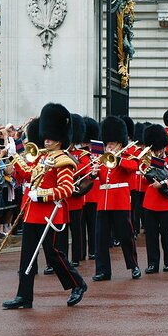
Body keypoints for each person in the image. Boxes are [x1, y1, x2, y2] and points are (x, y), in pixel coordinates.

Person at [3, 103, 87, 310]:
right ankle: (24, 296)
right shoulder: (42, 157)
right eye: (45, 137)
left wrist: (41, 195)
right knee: (27, 257)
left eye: (50, 137)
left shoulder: (63, 161)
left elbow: (66, 189)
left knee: (54, 254)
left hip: (51, 215)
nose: (46, 140)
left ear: (59, 138)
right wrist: (14, 158)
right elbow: (27, 174)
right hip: (32, 214)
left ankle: (78, 284)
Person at [92, 116, 141, 281]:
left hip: (120, 201)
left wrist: (118, 159)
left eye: (112, 144)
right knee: (100, 238)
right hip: (103, 202)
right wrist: (93, 172)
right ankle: (103, 270)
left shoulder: (127, 156)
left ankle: (134, 266)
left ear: (120, 143)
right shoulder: (102, 158)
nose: (108, 146)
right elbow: (97, 178)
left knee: (126, 236)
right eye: (107, 143)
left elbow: (133, 167)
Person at [142, 124, 168, 274]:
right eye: (155, 149)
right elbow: (146, 181)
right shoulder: (148, 159)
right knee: (151, 235)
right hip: (150, 202)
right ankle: (153, 263)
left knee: (165, 233)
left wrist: (163, 183)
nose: (158, 152)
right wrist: (146, 175)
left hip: (166, 203)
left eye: (159, 148)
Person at [67, 114, 88, 266]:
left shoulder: (81, 154)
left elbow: (85, 168)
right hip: (62, 196)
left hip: (75, 196)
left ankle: (76, 257)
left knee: (76, 229)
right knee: (60, 231)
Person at [80, 117, 100, 260]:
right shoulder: (79, 152)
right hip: (80, 193)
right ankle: (80, 252)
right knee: (80, 227)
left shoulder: (99, 150)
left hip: (93, 192)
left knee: (93, 225)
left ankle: (93, 250)